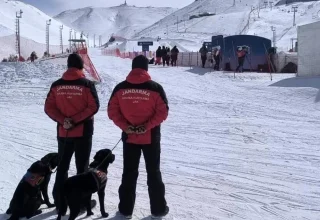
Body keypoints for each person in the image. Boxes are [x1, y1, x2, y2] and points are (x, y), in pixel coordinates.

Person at [107, 55, 169, 219]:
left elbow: (112, 111)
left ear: (132, 68)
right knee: (153, 172)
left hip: (129, 136)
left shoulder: (120, 88)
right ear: (146, 69)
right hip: (150, 137)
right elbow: (163, 112)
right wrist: (146, 126)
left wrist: (126, 126)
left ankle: (126, 209)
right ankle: (158, 209)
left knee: (129, 172)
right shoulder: (155, 88)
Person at [44, 53, 100, 212]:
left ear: (68, 66)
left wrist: (63, 120)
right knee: (82, 169)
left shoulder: (56, 85)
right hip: (83, 133)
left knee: (62, 168)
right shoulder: (87, 84)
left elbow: (49, 108)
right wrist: (75, 120)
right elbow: (94, 107)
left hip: (64, 133)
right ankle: (82, 203)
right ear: (82, 67)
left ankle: (60, 203)